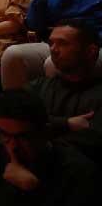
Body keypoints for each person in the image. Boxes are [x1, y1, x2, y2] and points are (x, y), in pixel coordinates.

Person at [0, 89, 98, 206]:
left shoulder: (77, 171)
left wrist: (34, 190)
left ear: (44, 132)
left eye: (22, 137)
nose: (13, 145)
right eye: (4, 134)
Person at [25, 19, 102, 164]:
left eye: (63, 43)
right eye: (51, 43)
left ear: (91, 51)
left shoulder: (98, 94)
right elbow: (8, 121)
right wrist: (65, 124)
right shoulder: (38, 86)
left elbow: (90, 145)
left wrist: (41, 127)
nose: (53, 49)